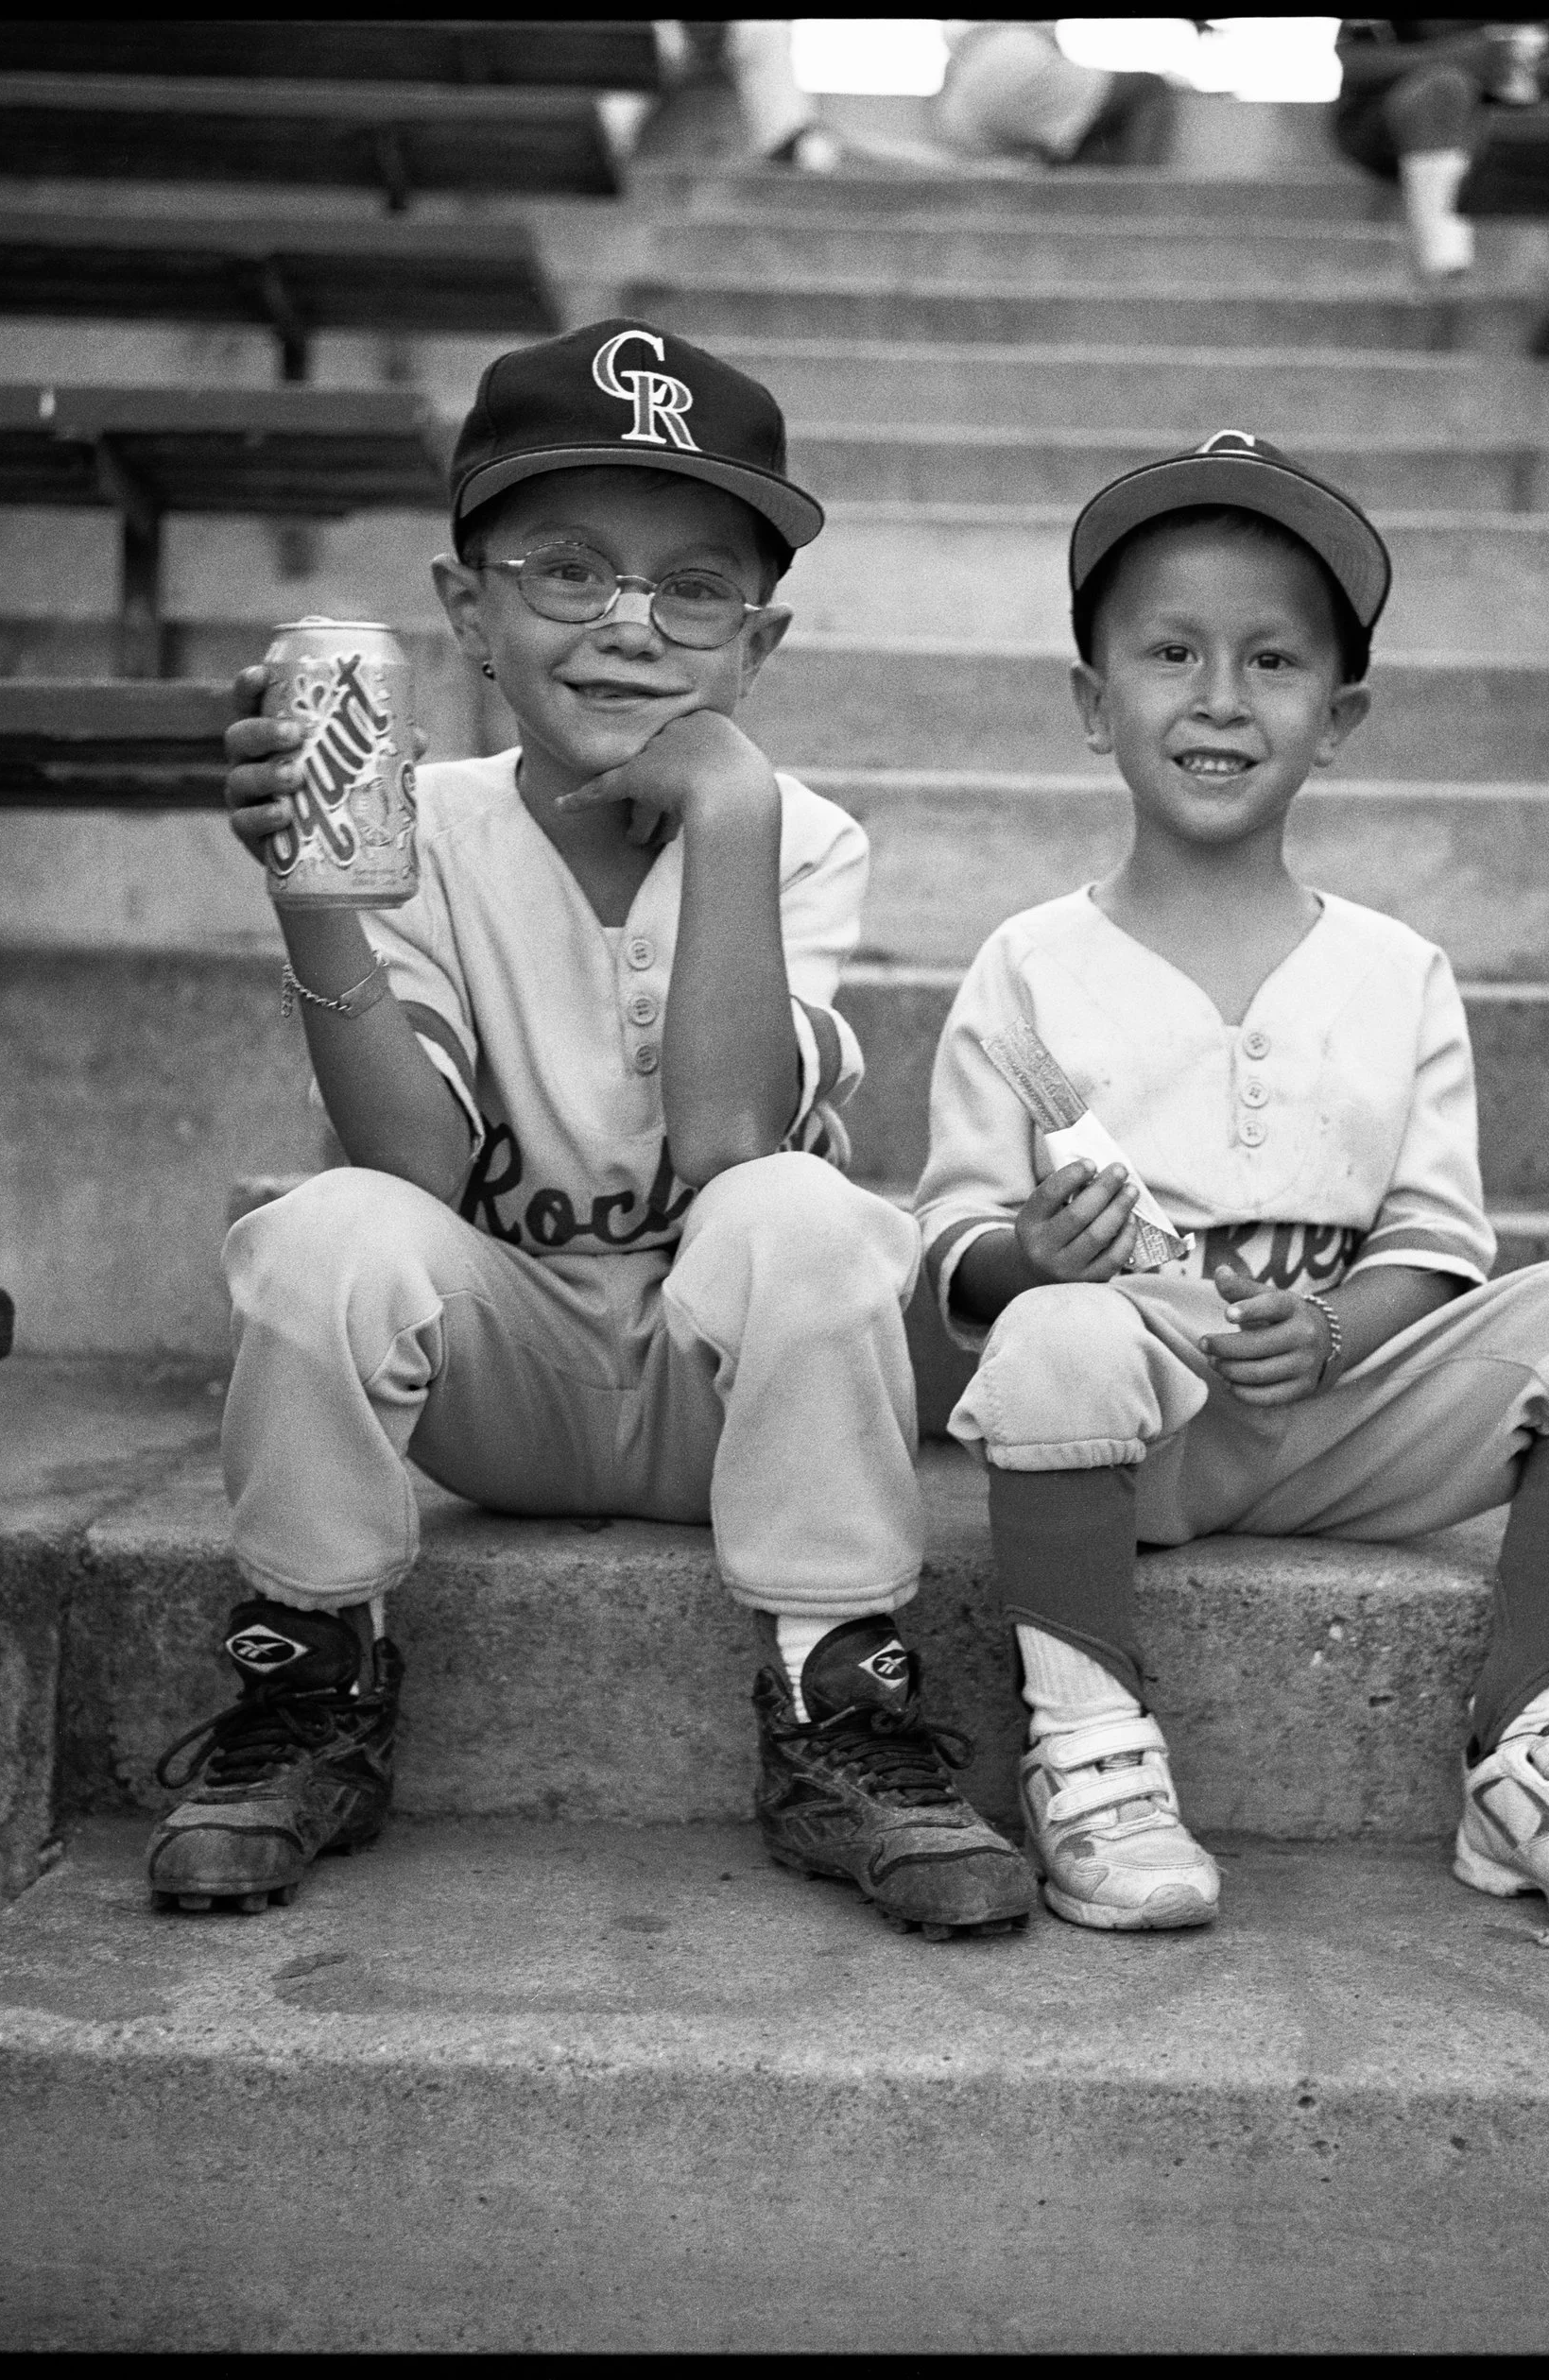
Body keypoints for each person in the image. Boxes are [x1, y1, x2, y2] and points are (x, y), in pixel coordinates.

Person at [147, 319, 1035, 1943]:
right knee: (323, 1230)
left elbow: (727, 1138)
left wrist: (738, 811)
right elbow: (413, 1170)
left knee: (814, 1215)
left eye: (694, 588)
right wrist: (313, 893)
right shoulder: (417, 825)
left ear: (756, 642)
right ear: (463, 610)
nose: (630, 626)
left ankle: (841, 1701)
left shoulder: (801, 831)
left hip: (723, 1393)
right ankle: (312, 1671)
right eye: (566, 571)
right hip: (502, 1382)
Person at [915, 431, 1549, 1943]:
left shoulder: (1396, 969)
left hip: (1353, 1417)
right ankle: (1089, 1748)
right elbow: (947, 1242)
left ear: (1336, 718)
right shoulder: (1028, 964)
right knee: (1053, 1338)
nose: (1220, 696)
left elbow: (1435, 1241)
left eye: (1273, 660)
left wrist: (1344, 1329)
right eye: (1169, 652)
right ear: (1095, 704)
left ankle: (1534, 1750)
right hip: (1128, 1423)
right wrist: (1029, 1253)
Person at [1332, 20, 1549, 278]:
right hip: (1397, 116)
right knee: (1445, 87)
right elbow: (1352, 62)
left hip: (1521, 121)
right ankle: (1445, 262)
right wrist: (1454, 56)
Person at [932, 22, 1180, 169]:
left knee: (1078, 142)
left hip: (960, 98)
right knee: (1149, 86)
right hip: (1012, 58)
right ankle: (1140, 201)